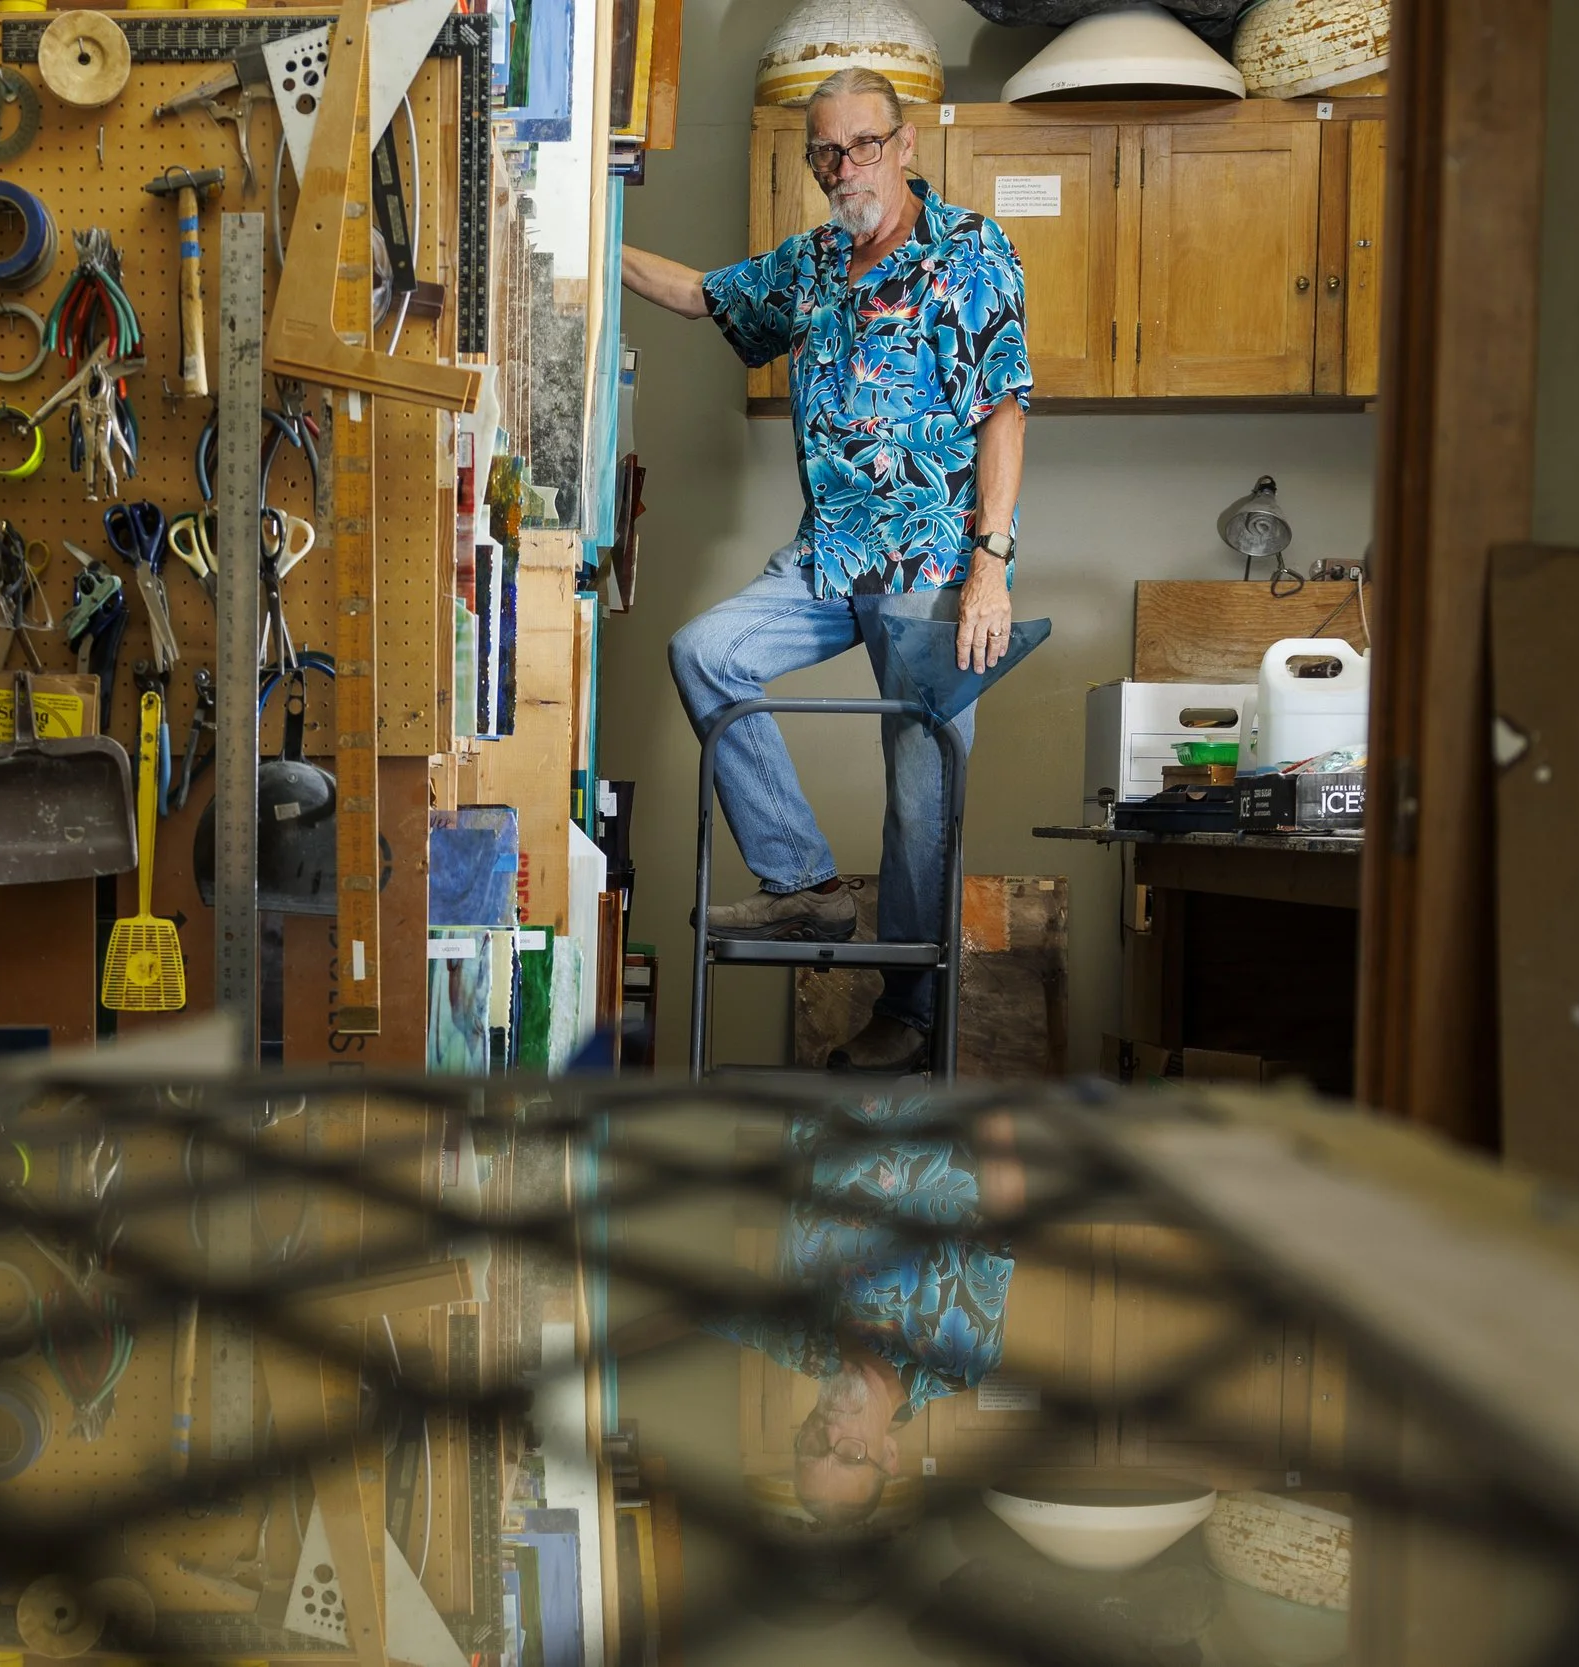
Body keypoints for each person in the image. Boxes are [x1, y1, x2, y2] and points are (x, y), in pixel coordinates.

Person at [620, 66, 1035, 1075]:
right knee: (705, 652)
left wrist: (990, 565)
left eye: (863, 146)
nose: (845, 167)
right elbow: (698, 294)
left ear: (904, 145)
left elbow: (1003, 410)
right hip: (827, 558)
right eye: (826, 153)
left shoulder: (971, 250)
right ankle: (805, 882)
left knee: (921, 807)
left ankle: (912, 1016)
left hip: (932, 564)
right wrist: (590, 228)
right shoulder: (808, 265)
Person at [709, 1093, 1025, 1527]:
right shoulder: (961, 1362)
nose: (831, 1432)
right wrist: (990, 1103)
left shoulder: (795, 1343)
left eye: (813, 1447)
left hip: (827, 1090)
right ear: (889, 1455)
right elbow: (1000, 1227)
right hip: (934, 1094)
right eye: (850, 1455)